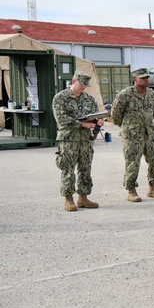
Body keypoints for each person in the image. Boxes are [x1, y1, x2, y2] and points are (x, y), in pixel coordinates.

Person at [52, 70, 104, 211]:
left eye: (85, 85)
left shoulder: (89, 99)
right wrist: (81, 124)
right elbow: (61, 119)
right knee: (68, 169)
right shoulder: (60, 98)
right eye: (81, 84)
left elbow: (94, 115)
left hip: (85, 140)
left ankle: (83, 198)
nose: (83, 87)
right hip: (68, 139)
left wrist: (98, 121)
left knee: (85, 168)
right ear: (74, 81)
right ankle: (68, 199)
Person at [111, 67, 154, 202]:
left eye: (147, 78)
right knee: (132, 162)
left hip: (150, 133)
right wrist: (127, 127)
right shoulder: (125, 94)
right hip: (132, 135)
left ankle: (153, 188)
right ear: (135, 79)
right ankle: (131, 190)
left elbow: (153, 112)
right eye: (143, 78)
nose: (146, 80)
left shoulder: (153, 95)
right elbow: (115, 115)